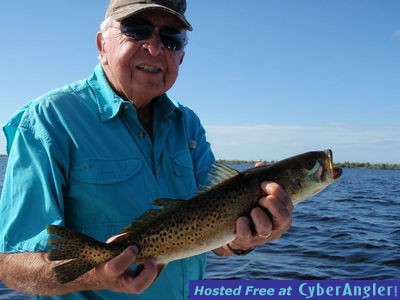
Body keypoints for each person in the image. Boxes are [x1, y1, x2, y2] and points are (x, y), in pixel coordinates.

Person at [0, 0, 293, 299]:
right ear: (102, 45)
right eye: (137, 30)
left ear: (181, 56)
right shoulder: (48, 118)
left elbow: (215, 238)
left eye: (171, 38)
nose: (155, 49)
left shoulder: (188, 124)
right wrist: (98, 274)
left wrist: (244, 239)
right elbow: (11, 263)